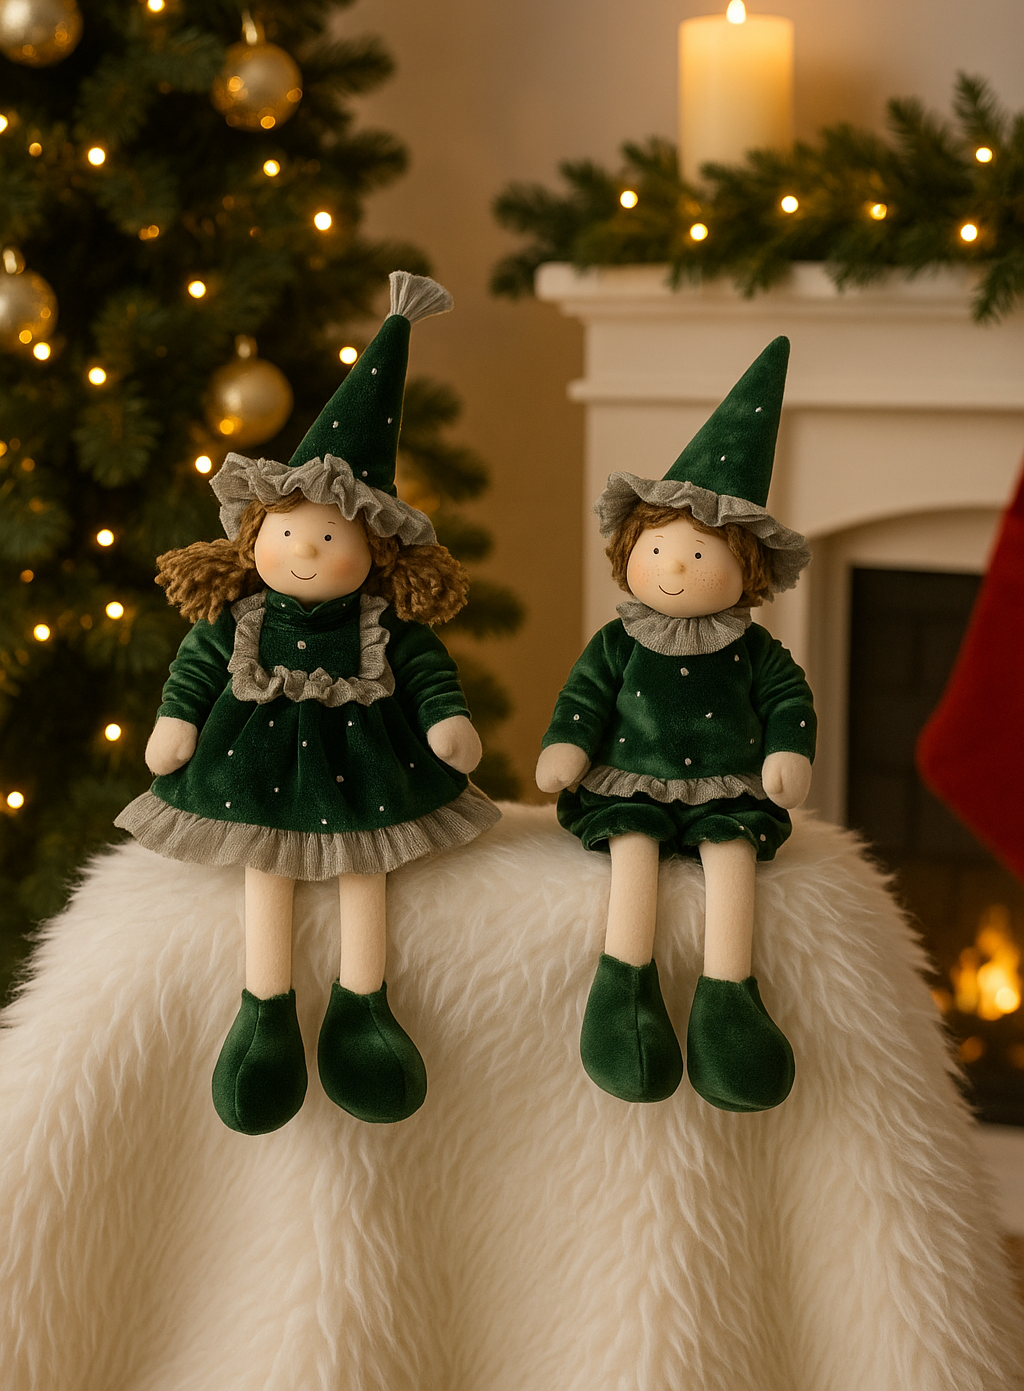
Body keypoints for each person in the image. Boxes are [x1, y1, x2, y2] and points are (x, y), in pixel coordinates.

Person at [116, 273, 499, 1134]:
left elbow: (429, 672)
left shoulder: (382, 624)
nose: (305, 549)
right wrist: (175, 723)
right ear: (256, 535)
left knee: (366, 871)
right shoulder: (241, 615)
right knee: (269, 875)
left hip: (365, 768)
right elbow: (195, 668)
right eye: (288, 533)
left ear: (375, 550)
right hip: (248, 770)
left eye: (329, 536)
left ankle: (364, 1010)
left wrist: (447, 721)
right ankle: (264, 1015)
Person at [537, 337, 815, 1112]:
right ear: (631, 549)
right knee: (634, 850)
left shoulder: (753, 650)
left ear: (747, 568)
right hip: (632, 781)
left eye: (700, 551)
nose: (675, 565)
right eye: (658, 546)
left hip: (728, 787)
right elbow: (585, 699)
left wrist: (789, 752)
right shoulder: (620, 641)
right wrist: (566, 747)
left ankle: (729, 1004)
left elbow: (789, 700)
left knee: (732, 857)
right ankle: (623, 993)